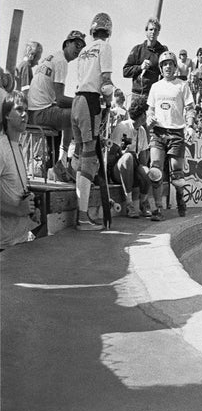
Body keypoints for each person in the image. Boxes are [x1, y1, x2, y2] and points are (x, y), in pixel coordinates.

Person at [71, 13, 117, 231]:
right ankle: (82, 217)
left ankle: (81, 213)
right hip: (90, 102)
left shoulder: (83, 51)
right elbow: (106, 83)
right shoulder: (104, 48)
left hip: (77, 101)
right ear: (108, 31)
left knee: (81, 156)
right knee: (89, 159)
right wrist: (110, 100)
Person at [26, 30, 86, 180]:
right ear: (67, 44)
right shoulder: (61, 62)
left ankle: (58, 161)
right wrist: (83, 101)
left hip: (33, 112)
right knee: (81, 112)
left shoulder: (53, 57)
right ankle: (69, 162)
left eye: (81, 47)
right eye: (76, 45)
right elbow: (60, 99)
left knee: (72, 110)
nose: (78, 50)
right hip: (40, 114)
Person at [146, 50, 193, 219]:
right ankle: (157, 209)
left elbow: (189, 108)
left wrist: (191, 126)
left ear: (175, 67)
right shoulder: (155, 87)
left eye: (170, 64)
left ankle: (181, 199)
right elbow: (150, 110)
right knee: (155, 169)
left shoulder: (182, 85)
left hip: (176, 132)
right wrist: (149, 118)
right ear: (160, 67)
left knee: (176, 172)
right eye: (164, 64)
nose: (167, 67)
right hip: (158, 132)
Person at [107, 98, 155, 217]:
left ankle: (143, 203)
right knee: (128, 157)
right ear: (142, 115)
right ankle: (129, 204)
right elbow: (110, 155)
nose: (146, 116)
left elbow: (143, 161)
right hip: (118, 170)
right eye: (145, 113)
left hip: (133, 169)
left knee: (148, 172)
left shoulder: (142, 131)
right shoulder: (122, 127)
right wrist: (122, 153)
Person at [1, 93, 37, 249]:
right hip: (4, 246)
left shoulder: (18, 146)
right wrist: (17, 210)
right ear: (7, 115)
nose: (25, 115)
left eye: (26, 110)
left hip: (21, 242)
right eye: (19, 109)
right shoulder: (1, 148)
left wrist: (30, 210)